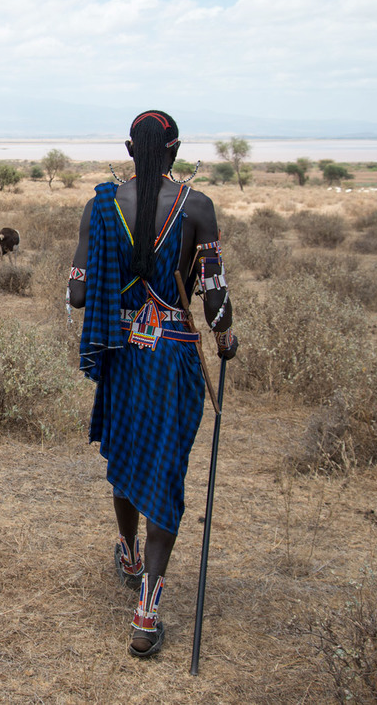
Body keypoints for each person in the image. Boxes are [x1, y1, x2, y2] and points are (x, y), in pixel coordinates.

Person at [68, 110, 237, 658]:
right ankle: (147, 616)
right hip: (172, 360)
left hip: (121, 355)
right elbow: (214, 297)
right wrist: (227, 338)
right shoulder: (198, 207)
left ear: (128, 147)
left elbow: (76, 294)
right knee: (163, 470)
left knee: (128, 455)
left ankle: (127, 548)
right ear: (176, 149)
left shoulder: (100, 206)